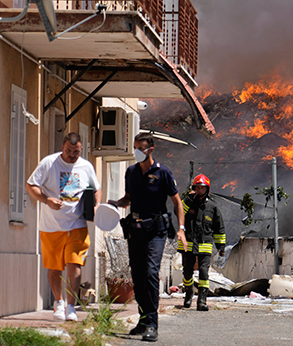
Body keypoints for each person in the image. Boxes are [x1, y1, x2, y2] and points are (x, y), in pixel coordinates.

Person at [109, 132, 186, 342]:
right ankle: (143, 319)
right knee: (138, 276)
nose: (136, 152)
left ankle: (152, 323)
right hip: (135, 231)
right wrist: (114, 204)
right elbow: (128, 199)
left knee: (151, 272)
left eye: (140, 148)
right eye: (134, 147)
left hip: (156, 232)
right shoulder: (131, 172)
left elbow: (177, 203)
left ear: (150, 150)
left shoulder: (163, 173)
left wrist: (181, 229)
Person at [26, 133, 102, 322]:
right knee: (54, 267)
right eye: (68, 151)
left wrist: (96, 205)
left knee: (74, 264)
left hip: (77, 224)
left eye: (76, 152)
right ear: (63, 147)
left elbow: (96, 188)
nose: (72, 155)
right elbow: (30, 185)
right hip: (52, 225)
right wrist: (46, 200)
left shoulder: (86, 166)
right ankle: (58, 302)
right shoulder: (49, 163)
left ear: (81, 149)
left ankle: (70, 306)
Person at [178, 174, 226, 311]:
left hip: (205, 244)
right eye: (197, 188)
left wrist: (221, 247)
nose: (200, 190)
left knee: (204, 271)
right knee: (187, 272)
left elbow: (219, 228)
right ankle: (189, 292)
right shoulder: (188, 203)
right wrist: (188, 198)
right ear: (194, 188)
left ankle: (202, 300)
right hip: (188, 243)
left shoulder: (212, 207)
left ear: (207, 189)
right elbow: (179, 212)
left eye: (202, 188)